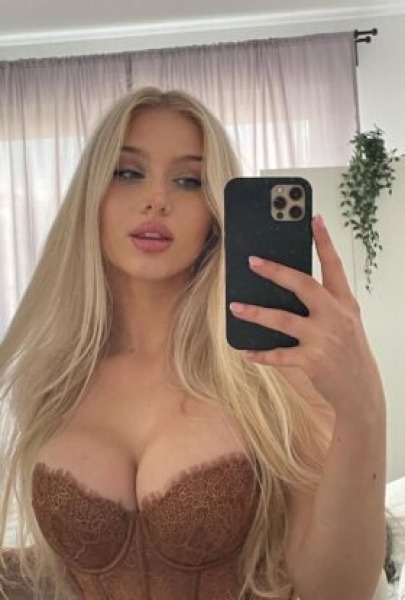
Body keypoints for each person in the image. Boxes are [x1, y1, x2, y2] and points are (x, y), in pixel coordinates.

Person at [0, 86, 386, 600]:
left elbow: (339, 590)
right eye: (128, 172)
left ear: (216, 212)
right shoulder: (55, 378)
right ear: (92, 195)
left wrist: (363, 410)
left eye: (188, 180)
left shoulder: (271, 371)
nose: (157, 199)